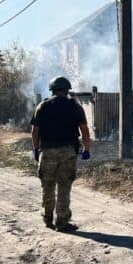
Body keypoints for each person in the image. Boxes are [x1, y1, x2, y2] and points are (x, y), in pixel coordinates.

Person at [30, 76, 91, 232]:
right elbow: (84, 130)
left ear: (52, 90)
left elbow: (35, 131)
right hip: (68, 152)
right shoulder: (75, 107)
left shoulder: (42, 106)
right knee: (64, 186)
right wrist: (86, 149)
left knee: (47, 185)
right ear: (67, 90)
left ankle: (48, 218)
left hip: (47, 151)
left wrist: (36, 149)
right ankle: (62, 222)